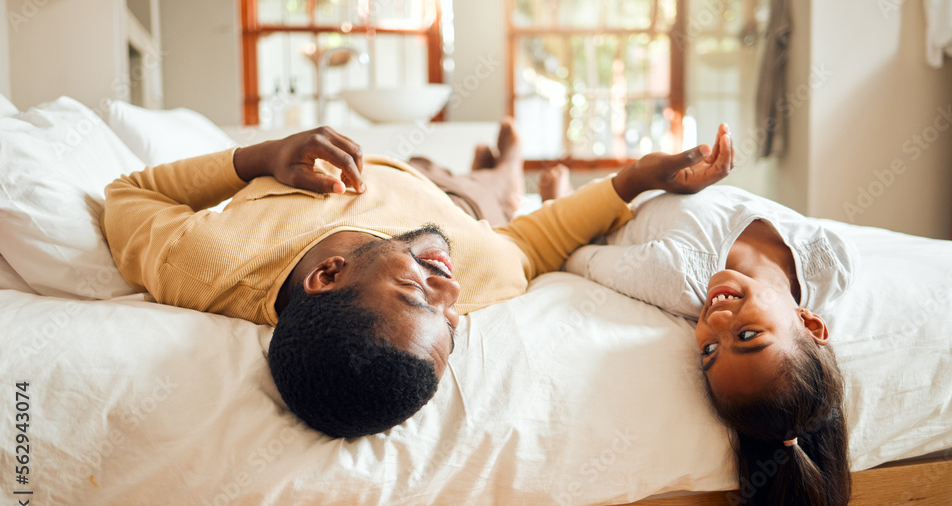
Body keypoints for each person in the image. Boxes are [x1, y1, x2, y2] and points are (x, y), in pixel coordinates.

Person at [101, 120, 733, 440]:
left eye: (415, 293)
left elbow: (131, 192)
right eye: (450, 322)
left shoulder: (203, 262)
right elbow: (529, 244)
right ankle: (501, 178)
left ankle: (496, 172)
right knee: (485, 201)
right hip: (458, 212)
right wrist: (641, 177)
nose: (450, 292)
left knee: (453, 175)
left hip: (404, 178)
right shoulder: (476, 275)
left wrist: (256, 157)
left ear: (327, 275)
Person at [564, 123, 854, 506]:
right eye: (748, 337)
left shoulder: (677, 277)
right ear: (810, 322)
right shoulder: (832, 264)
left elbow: (578, 257)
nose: (714, 326)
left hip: (624, 208)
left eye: (708, 353)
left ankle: (540, 193)